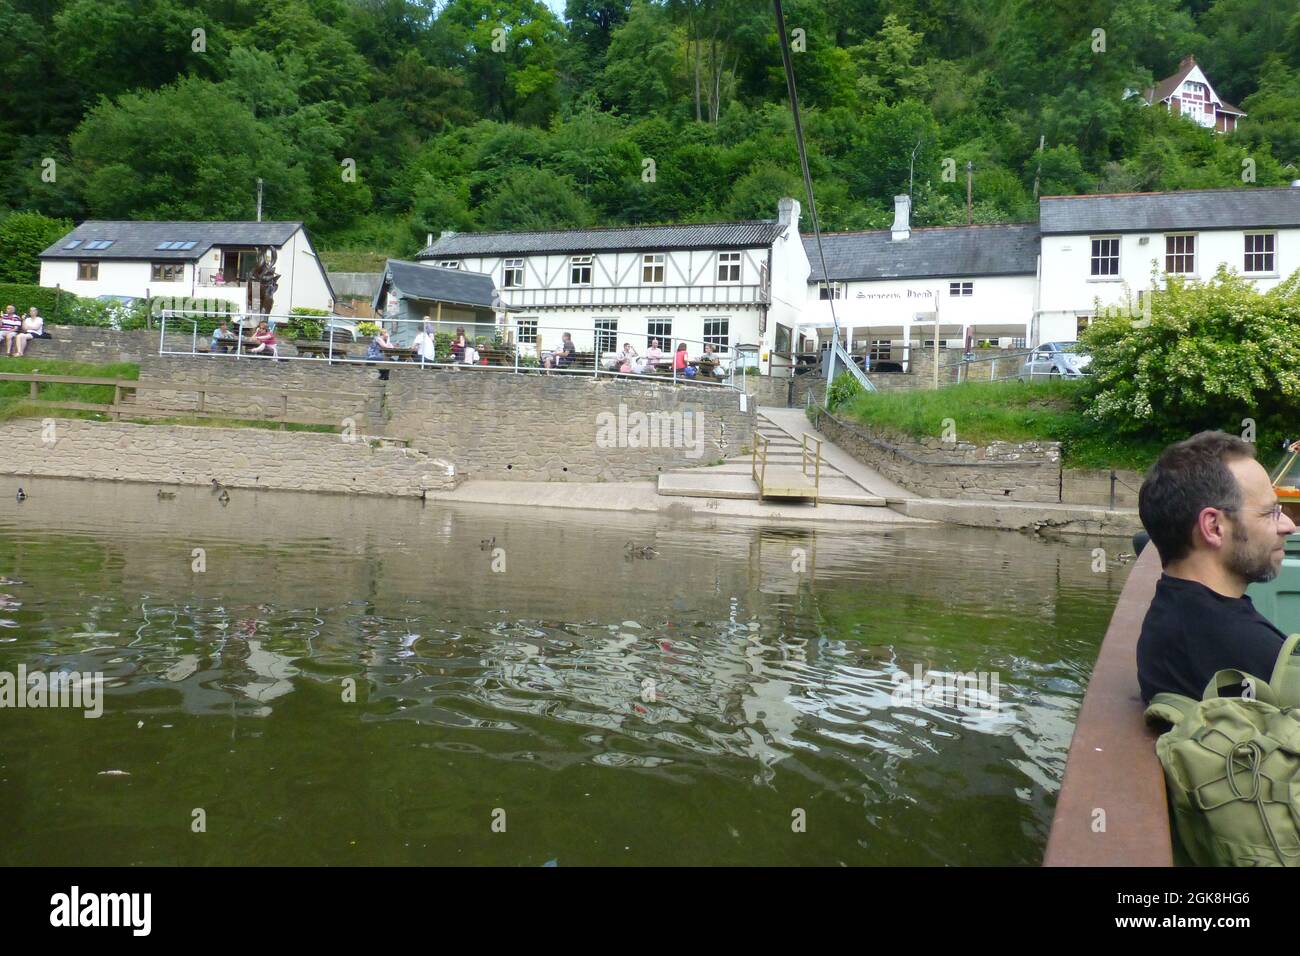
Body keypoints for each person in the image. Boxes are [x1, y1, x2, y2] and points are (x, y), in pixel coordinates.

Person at [1136, 431, 1297, 704]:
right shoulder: (1246, 649)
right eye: (1270, 512)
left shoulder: (1173, 615)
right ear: (1213, 527)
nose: (1289, 525)